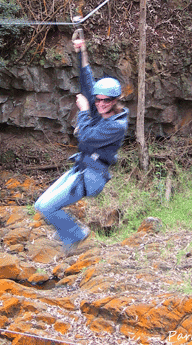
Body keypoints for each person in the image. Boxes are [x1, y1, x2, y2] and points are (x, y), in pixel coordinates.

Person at [34, 30, 129, 255]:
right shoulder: (99, 108)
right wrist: (81, 51)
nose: (101, 103)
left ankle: (76, 236)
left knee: (48, 207)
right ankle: (69, 232)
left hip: (92, 177)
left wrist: (85, 111)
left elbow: (85, 137)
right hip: (81, 169)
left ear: (116, 101)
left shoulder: (116, 125)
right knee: (40, 205)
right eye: (98, 99)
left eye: (107, 101)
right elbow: (87, 80)